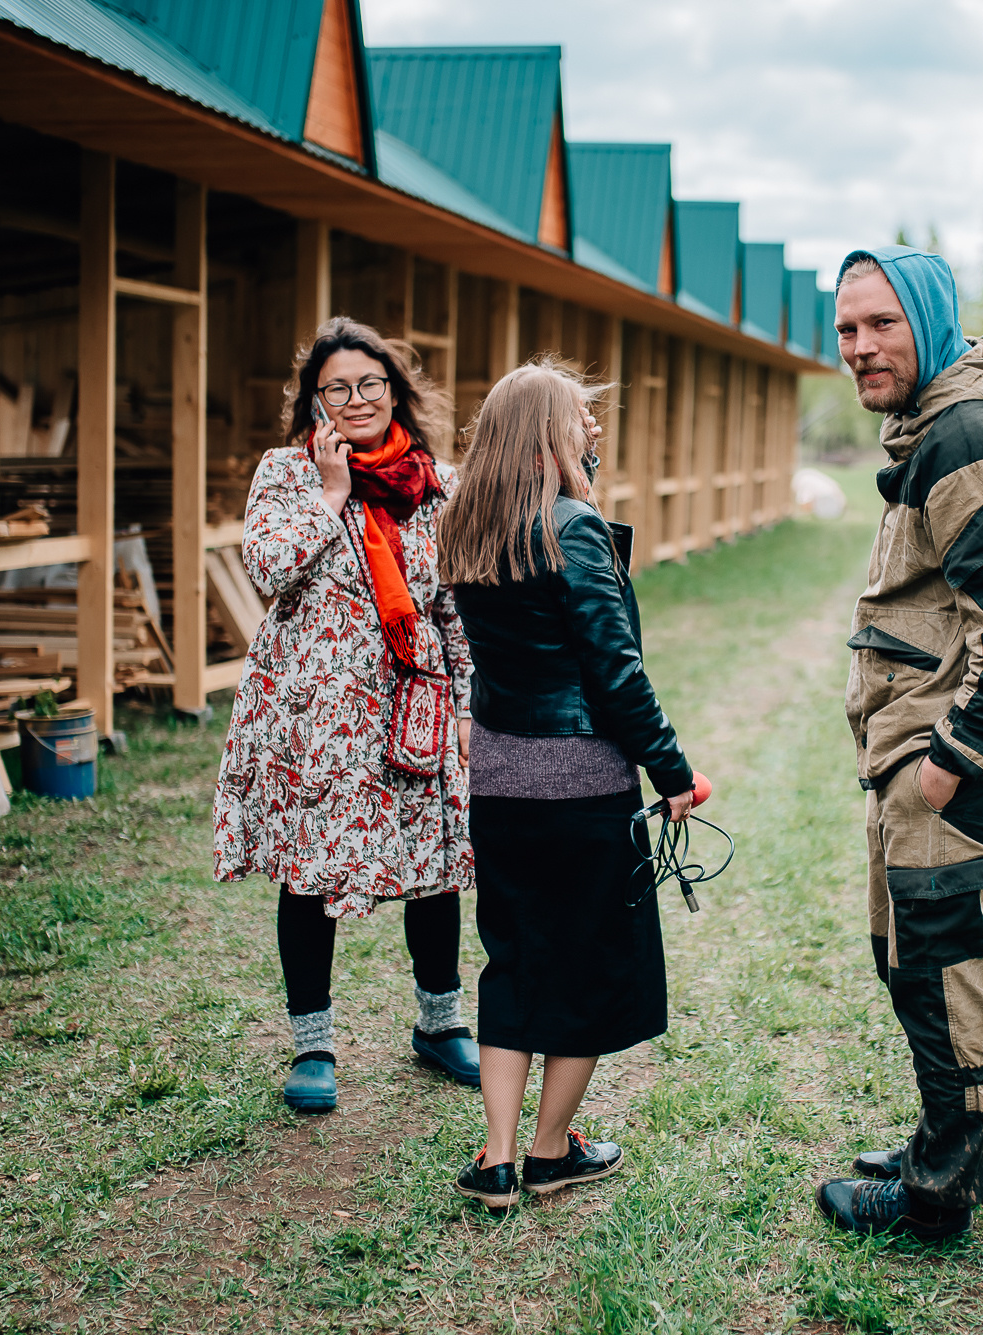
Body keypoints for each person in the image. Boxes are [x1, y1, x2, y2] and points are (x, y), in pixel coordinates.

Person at [816, 248, 983, 1238]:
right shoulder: (933, 425)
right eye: (847, 328)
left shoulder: (963, 436)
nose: (859, 346)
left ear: (927, 318)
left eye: (881, 323)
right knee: (914, 956)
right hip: (914, 745)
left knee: (938, 961)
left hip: (943, 754)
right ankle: (948, 1140)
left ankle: (937, 1193)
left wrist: (950, 759)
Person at [435, 362, 696, 1212]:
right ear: (549, 429)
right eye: (582, 417)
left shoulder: (465, 526)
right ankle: (551, 1151)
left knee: (513, 959)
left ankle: (496, 1158)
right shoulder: (573, 528)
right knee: (586, 964)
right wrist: (672, 770)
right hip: (581, 786)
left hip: (499, 783)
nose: (593, 428)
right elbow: (616, 673)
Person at [212, 317, 479, 1113]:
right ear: (315, 400)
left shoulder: (437, 484)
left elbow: (454, 606)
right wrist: (331, 494)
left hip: (413, 702)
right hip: (314, 714)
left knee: (433, 866)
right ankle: (313, 1045)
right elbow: (268, 569)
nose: (357, 398)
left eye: (370, 383)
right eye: (339, 387)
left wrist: (469, 705)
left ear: (394, 391)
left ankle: (440, 1024)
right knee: (309, 869)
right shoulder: (285, 473)